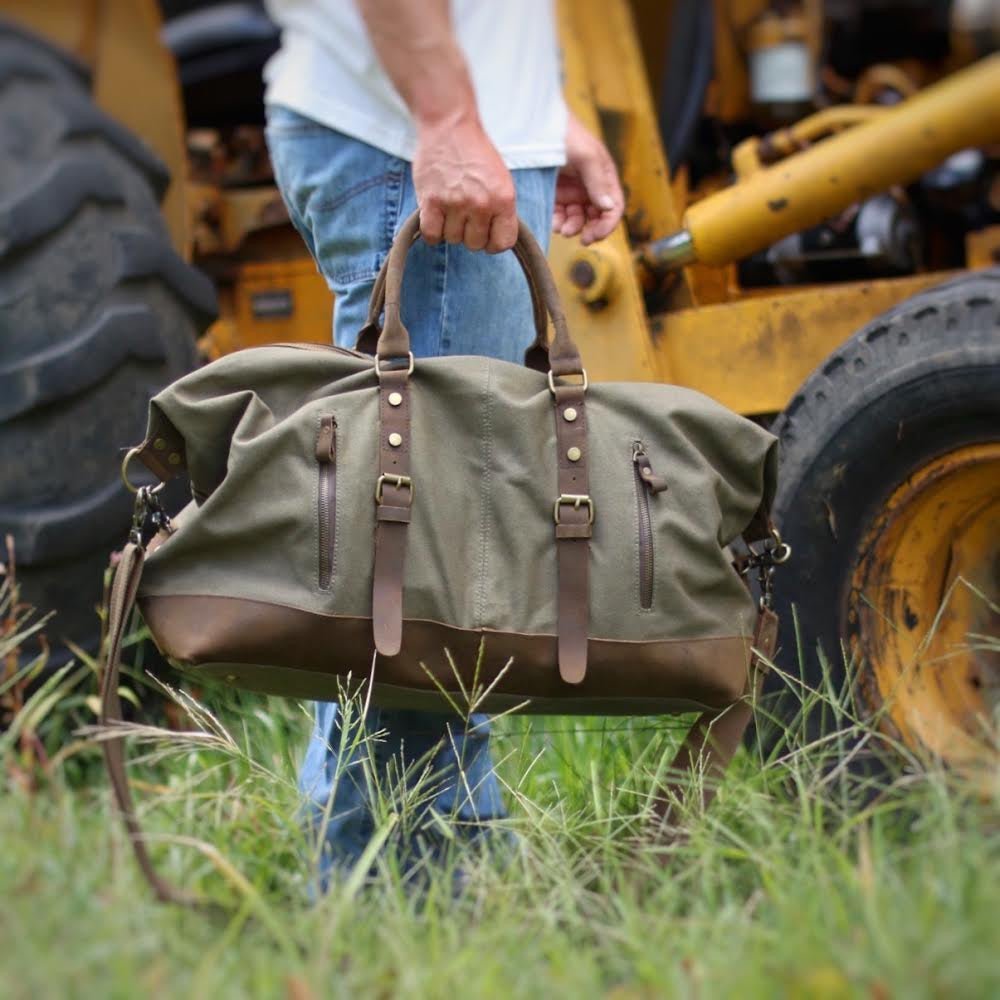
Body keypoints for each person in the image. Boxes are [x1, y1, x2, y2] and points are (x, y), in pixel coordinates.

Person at [262, 0, 624, 882]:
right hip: (405, 134)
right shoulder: (435, 130)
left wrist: (542, 110)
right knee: (432, 563)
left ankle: (369, 883)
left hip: (458, 123)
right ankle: (399, 904)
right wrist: (451, 118)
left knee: (435, 551)